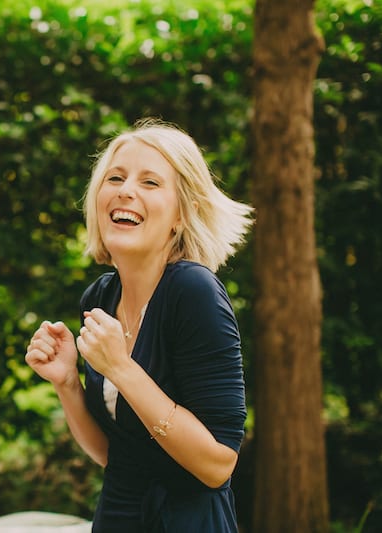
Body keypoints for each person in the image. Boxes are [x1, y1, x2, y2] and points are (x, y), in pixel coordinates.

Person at [25, 118, 253, 532]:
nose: (126, 190)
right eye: (115, 177)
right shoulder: (99, 299)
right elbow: (115, 455)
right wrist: (67, 383)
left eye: (150, 182)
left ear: (183, 214)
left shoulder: (193, 292)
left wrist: (122, 369)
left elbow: (218, 465)